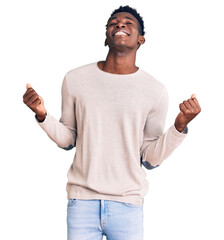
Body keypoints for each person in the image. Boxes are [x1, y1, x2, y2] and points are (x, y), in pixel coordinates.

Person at [23, 5, 201, 240]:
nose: (120, 24)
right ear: (106, 38)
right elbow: (68, 139)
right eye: (113, 22)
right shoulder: (75, 79)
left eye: (129, 23)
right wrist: (42, 115)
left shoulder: (155, 91)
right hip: (82, 203)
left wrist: (179, 127)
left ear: (141, 39)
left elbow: (149, 158)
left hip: (128, 206)